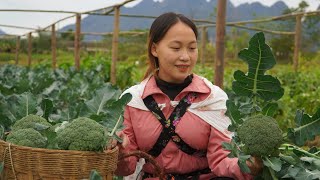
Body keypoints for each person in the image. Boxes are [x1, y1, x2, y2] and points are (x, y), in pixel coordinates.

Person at [112, 12, 262, 180]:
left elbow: (221, 158)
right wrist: (119, 151)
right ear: (154, 49)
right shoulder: (133, 101)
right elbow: (126, 166)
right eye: (176, 48)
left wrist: (247, 166)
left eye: (192, 48)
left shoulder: (212, 98)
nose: (185, 57)